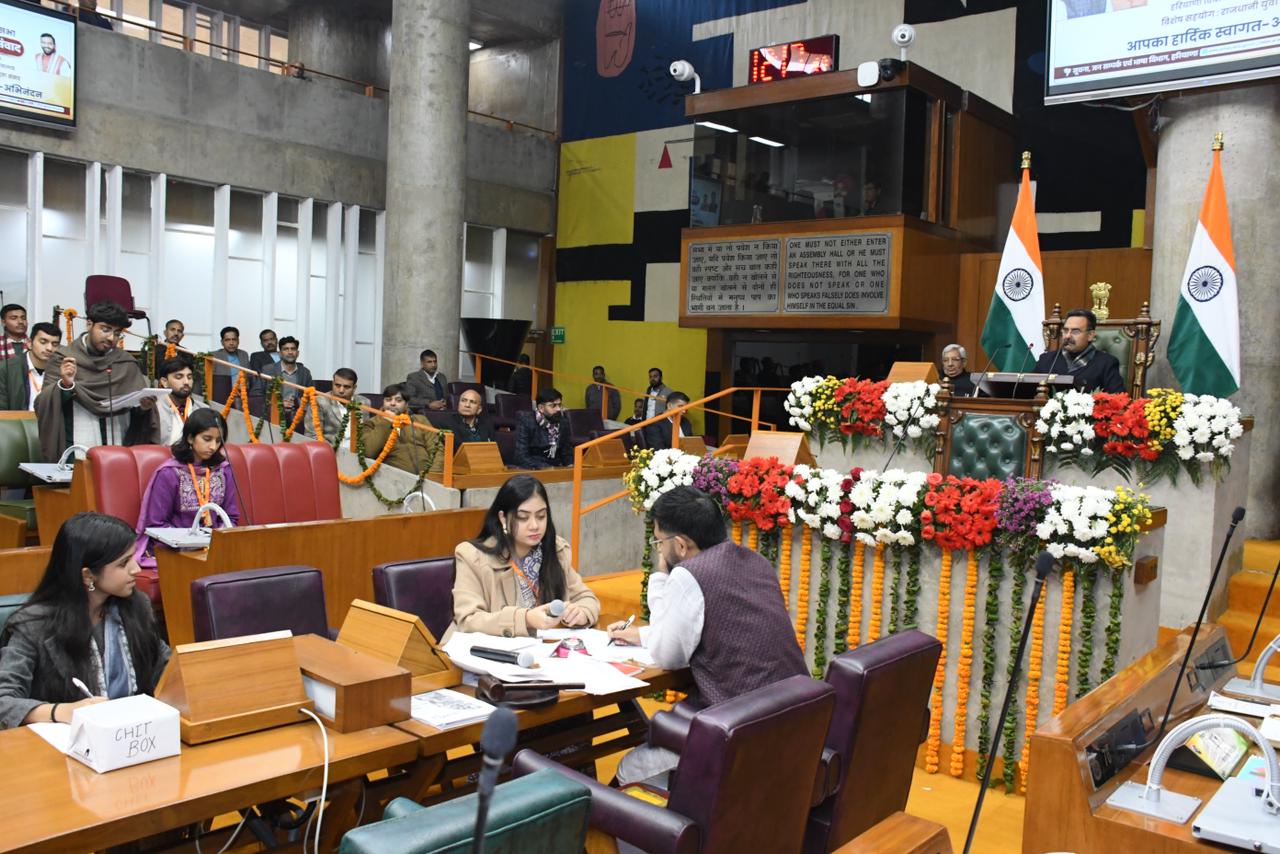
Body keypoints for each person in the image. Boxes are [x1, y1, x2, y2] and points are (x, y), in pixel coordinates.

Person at [607, 486, 807, 783]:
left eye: (660, 541)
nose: (659, 549)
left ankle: (659, 826)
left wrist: (661, 575)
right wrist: (644, 635)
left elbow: (668, 655)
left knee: (631, 767)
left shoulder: (690, 574)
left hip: (739, 729)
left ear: (682, 544)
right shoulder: (755, 560)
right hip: (794, 717)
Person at [0, 512, 170, 729]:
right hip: (62, 746)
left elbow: (168, 671)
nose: (136, 569)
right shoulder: (34, 625)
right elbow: (4, 701)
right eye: (124, 563)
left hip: (135, 737)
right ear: (88, 575)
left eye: (134, 557)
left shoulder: (136, 607)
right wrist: (61, 711)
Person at [452, 474, 599, 637]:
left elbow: (586, 598)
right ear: (502, 518)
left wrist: (581, 613)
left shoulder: (556, 550)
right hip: (489, 655)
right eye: (523, 517)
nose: (535, 525)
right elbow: (468, 621)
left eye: (541, 516)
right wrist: (526, 619)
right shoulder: (472, 557)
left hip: (541, 653)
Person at [35, 301, 150, 461]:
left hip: (118, 445)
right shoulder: (63, 358)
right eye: (105, 329)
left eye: (117, 333)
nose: (111, 338)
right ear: (89, 324)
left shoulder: (125, 363)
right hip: (75, 445)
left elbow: (139, 411)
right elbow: (43, 403)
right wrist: (65, 385)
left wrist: (143, 407)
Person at [133, 409, 240, 568]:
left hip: (215, 547)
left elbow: (231, 517)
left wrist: (216, 540)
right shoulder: (169, 473)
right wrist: (190, 543)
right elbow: (156, 523)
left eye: (218, 441)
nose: (213, 446)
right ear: (190, 438)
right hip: (176, 549)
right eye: (207, 439)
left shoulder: (223, 470)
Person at [1034, 308, 1125, 393]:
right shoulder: (1046, 360)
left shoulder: (1106, 363)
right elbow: (1026, 391)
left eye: (1075, 331)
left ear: (1090, 335)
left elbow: (1118, 400)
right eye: (1065, 330)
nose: (1068, 336)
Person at [360, 384, 442, 475]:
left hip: (427, 478)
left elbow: (437, 449)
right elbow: (368, 452)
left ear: (406, 405)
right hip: (393, 478)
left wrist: (433, 474)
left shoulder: (420, 420)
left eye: (398, 400)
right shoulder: (372, 423)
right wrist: (386, 421)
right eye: (388, 400)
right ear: (383, 402)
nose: (392, 403)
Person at [0, 321, 59, 411]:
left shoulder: (61, 370)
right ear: (29, 343)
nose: (49, 348)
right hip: (16, 423)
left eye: (54, 344)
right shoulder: (6, 369)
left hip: (49, 424)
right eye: (43, 342)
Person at [150, 356, 207, 445]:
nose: (186, 382)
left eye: (189, 377)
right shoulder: (153, 408)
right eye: (179, 377)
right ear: (164, 382)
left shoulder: (204, 409)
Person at [514, 387, 571, 469]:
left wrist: (571, 465)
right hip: (534, 467)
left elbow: (567, 452)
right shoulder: (526, 421)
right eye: (553, 405)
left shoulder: (562, 422)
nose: (558, 409)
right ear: (541, 408)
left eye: (559, 405)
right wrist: (544, 467)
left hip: (556, 467)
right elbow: (521, 456)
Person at [260, 336, 313, 424]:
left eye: (293, 349)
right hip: (274, 414)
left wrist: (297, 402)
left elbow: (312, 397)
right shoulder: (268, 370)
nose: (290, 352)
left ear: (297, 353)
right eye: (286, 349)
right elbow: (256, 394)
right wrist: (278, 403)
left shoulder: (305, 372)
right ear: (280, 353)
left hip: (298, 416)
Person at [317, 368, 368, 443]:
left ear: (354, 388)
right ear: (332, 384)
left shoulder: (364, 402)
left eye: (346, 387)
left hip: (356, 451)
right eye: (337, 385)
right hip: (330, 450)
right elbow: (312, 436)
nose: (341, 390)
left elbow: (365, 433)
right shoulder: (320, 402)